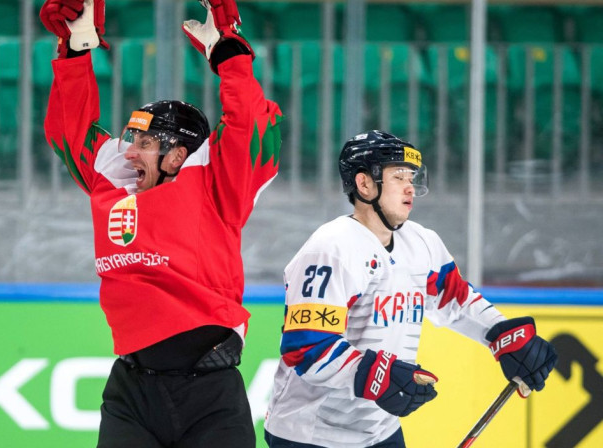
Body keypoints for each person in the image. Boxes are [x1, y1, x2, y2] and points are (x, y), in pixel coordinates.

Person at [39, 0, 282, 446]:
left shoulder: (216, 186)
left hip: (209, 395)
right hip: (132, 391)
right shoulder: (113, 185)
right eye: (131, 139)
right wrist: (74, 52)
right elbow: (68, 131)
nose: (129, 152)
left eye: (145, 142)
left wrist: (230, 55)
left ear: (177, 155)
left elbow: (248, 123)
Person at [263, 130, 557, 448]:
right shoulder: (331, 247)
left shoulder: (421, 243)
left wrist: (501, 334)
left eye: (412, 177)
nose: (410, 187)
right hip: (311, 434)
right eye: (398, 176)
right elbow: (307, 346)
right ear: (364, 184)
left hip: (380, 432)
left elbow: (454, 299)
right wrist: (378, 375)